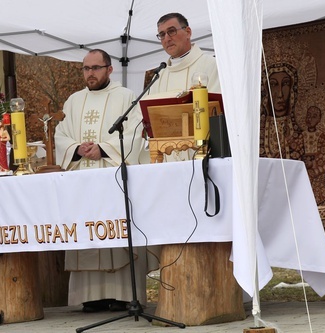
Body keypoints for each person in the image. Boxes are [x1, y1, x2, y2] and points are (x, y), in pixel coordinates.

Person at [54, 49, 151, 312]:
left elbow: (136, 135)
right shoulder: (74, 101)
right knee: (87, 232)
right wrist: (76, 148)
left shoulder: (126, 97)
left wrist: (104, 149)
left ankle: (123, 295)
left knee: (116, 231)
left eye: (96, 68)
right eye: (86, 68)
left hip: (113, 181)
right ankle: (91, 296)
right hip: (82, 182)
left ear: (110, 69)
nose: (90, 73)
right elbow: (60, 134)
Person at [142, 12, 222, 162]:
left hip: (205, 159)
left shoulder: (211, 66)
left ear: (188, 32)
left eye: (171, 31)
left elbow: (217, 114)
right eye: (162, 34)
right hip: (167, 163)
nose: (167, 38)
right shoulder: (159, 77)